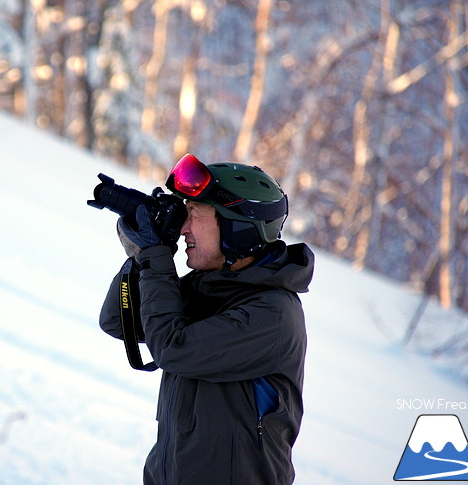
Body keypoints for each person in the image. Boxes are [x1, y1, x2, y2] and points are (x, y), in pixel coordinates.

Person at [99, 154, 315, 485]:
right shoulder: (210, 286)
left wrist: (155, 259)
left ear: (238, 230)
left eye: (195, 216)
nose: (184, 228)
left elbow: (173, 348)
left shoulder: (273, 315)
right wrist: (144, 257)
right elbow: (119, 321)